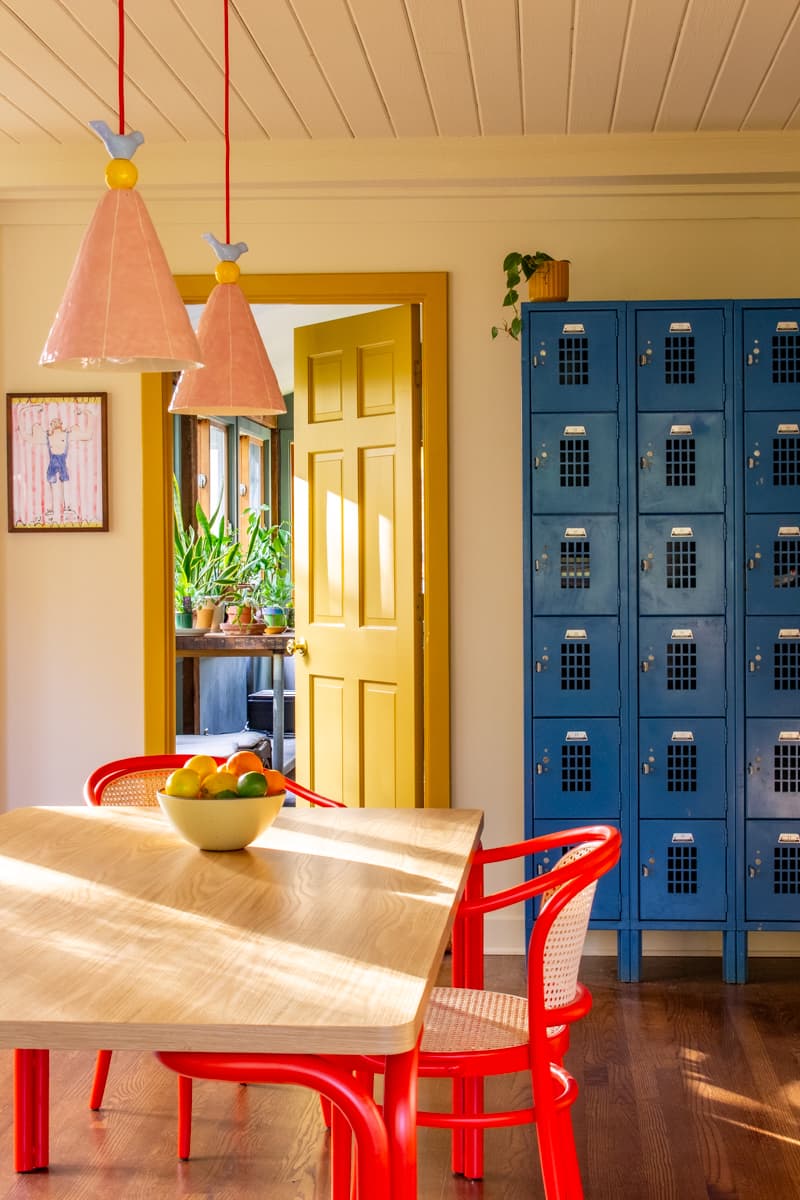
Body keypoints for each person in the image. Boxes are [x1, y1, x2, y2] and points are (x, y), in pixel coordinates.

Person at [17, 409, 95, 525]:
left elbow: (88, 435)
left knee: (65, 484)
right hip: (53, 463)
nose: (55, 424)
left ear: (61, 425)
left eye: (57, 422)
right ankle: (50, 509)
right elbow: (27, 437)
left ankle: (67, 507)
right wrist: (21, 414)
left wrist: (88, 413)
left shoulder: (68, 435)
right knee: (52, 485)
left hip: (61, 462)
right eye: (53, 423)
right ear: (51, 426)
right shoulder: (47, 437)